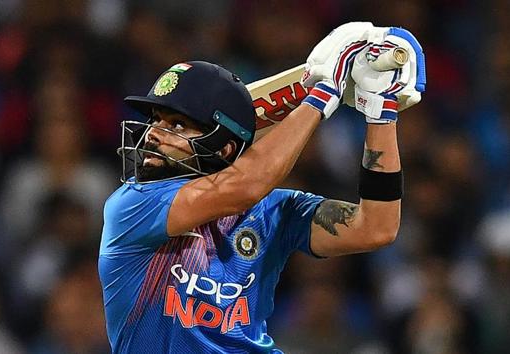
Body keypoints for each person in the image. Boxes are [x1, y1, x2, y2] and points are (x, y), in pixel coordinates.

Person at [99, 23, 425, 353]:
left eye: (177, 125)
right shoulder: (133, 204)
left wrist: (381, 114)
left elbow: (375, 228)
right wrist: (323, 94)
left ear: (224, 149)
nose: (154, 133)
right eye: (156, 119)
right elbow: (246, 184)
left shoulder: (270, 211)